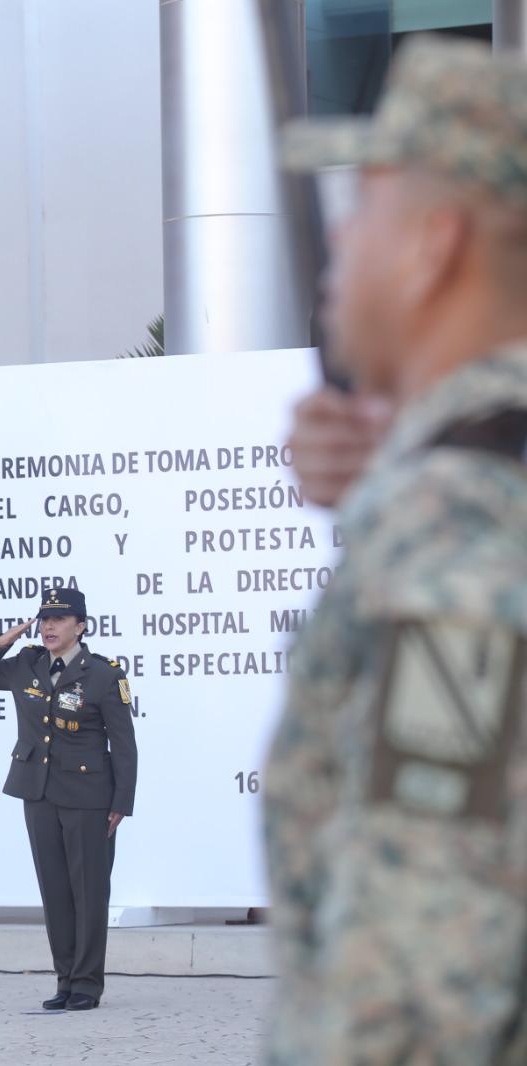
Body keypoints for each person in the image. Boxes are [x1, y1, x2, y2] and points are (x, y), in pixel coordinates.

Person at [265, 35, 527, 1064]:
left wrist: (420, 492)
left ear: (431, 245)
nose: (339, 246)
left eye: (363, 202)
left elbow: (419, 988)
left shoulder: (451, 525)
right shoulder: (467, 487)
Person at [0, 587, 136, 1012]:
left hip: (89, 796)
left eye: (59, 619)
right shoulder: (27, 663)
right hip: (37, 791)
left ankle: (88, 985)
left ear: (81, 626)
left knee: (89, 891)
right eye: (44, 619)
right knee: (55, 890)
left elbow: (123, 744)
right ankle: (65, 980)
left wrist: (121, 802)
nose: (49, 626)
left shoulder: (104, 674)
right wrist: (6, 639)